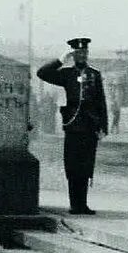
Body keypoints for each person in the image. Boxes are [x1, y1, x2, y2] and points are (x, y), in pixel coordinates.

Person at [37, 38, 108, 216]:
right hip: (73, 126)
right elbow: (42, 73)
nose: (82, 55)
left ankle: (82, 204)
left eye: (84, 53)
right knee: (73, 166)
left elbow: (101, 102)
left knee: (86, 166)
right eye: (78, 53)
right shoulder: (66, 74)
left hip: (90, 127)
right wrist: (61, 60)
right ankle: (74, 204)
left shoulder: (94, 74)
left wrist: (103, 126)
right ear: (73, 54)